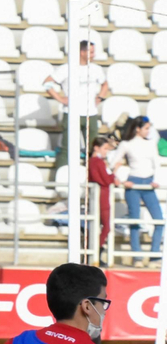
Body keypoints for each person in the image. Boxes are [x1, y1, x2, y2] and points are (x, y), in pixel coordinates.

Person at [43, 39, 108, 157]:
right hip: (71, 112)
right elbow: (47, 83)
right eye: (91, 52)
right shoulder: (66, 68)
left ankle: (91, 174)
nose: (94, 55)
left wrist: (100, 98)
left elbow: (105, 84)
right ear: (82, 52)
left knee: (93, 149)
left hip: (90, 113)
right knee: (68, 148)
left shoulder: (96, 69)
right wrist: (60, 99)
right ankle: (62, 172)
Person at [113, 116, 161, 259]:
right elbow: (113, 164)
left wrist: (156, 181)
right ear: (138, 129)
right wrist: (122, 181)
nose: (148, 131)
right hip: (133, 183)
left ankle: (154, 255)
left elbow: (156, 164)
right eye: (146, 128)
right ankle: (137, 256)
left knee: (159, 220)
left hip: (149, 183)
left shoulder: (151, 143)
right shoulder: (126, 144)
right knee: (135, 221)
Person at [86, 133, 117, 262]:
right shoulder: (96, 161)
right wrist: (114, 174)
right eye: (104, 148)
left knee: (101, 226)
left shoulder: (97, 162)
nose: (106, 151)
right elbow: (104, 179)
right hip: (101, 197)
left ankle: (94, 252)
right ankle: (95, 251)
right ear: (96, 148)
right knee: (105, 226)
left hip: (102, 196)